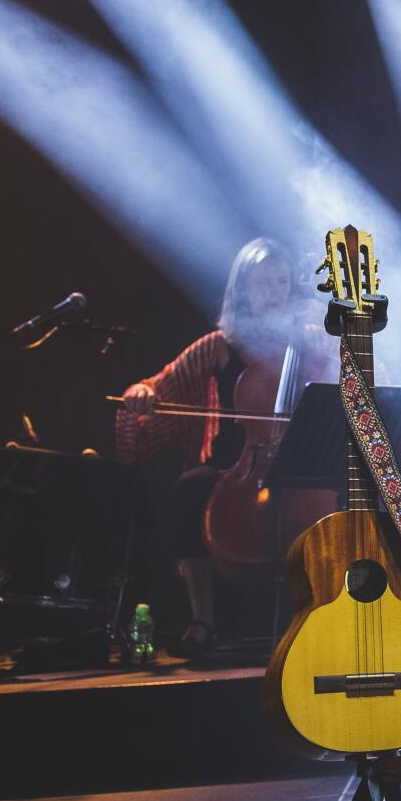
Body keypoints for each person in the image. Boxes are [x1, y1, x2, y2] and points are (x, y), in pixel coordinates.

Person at [116, 236, 321, 657]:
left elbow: (349, 375)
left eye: (281, 282)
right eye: (263, 283)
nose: (273, 292)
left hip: (296, 465)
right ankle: (202, 617)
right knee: (189, 490)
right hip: (236, 467)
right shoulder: (220, 344)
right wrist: (140, 391)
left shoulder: (309, 339)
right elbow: (159, 383)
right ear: (242, 288)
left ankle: (321, 613)